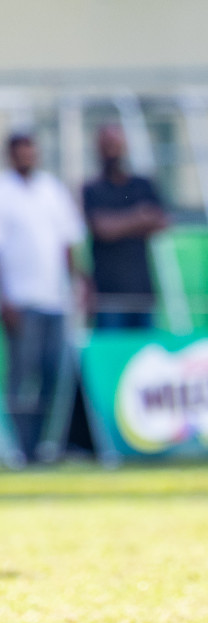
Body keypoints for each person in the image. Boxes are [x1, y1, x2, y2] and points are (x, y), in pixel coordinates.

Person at [0, 132, 85, 463]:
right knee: (22, 378)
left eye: (31, 152)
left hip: (55, 299)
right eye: (20, 153)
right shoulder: (4, 191)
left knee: (53, 375)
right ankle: (21, 447)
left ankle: (46, 446)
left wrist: (78, 283)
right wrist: (4, 299)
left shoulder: (51, 188)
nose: (27, 158)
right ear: (10, 155)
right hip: (21, 301)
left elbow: (68, 241)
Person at [82, 124, 168, 330]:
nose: (112, 151)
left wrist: (119, 223)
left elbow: (162, 221)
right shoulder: (92, 189)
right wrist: (139, 218)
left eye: (115, 145)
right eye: (107, 145)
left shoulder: (141, 185)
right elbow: (102, 228)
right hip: (108, 296)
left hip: (142, 292)